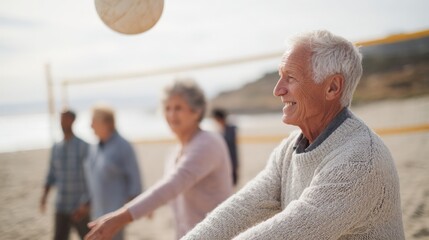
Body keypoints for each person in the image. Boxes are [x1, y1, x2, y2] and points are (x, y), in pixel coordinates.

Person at [182, 30, 405, 239]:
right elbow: (241, 207)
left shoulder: (360, 160)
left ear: (332, 88)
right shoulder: (290, 149)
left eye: (290, 77)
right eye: (280, 76)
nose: (277, 90)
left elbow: (288, 231)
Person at [84, 80, 233, 240]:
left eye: (178, 108)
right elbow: (168, 193)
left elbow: (172, 184)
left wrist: (118, 219)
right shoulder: (175, 152)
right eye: (167, 108)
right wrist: (147, 207)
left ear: (196, 111)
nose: (171, 115)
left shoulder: (208, 143)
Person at [84, 105, 142, 240]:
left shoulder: (123, 146)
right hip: (97, 211)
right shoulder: (94, 148)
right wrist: (86, 202)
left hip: (115, 213)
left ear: (106, 123)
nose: (90, 125)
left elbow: (135, 180)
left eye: (93, 121)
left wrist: (132, 211)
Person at [40, 109, 90, 240]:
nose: (62, 122)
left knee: (88, 237)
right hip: (61, 205)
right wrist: (44, 196)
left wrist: (88, 203)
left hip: (79, 205)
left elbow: (92, 177)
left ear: (73, 120)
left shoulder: (84, 146)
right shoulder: (56, 147)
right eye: (61, 118)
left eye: (65, 118)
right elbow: (51, 174)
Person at [212, 108, 239, 186]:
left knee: (231, 185)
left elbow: (228, 143)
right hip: (224, 163)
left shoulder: (230, 129)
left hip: (231, 161)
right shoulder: (220, 130)